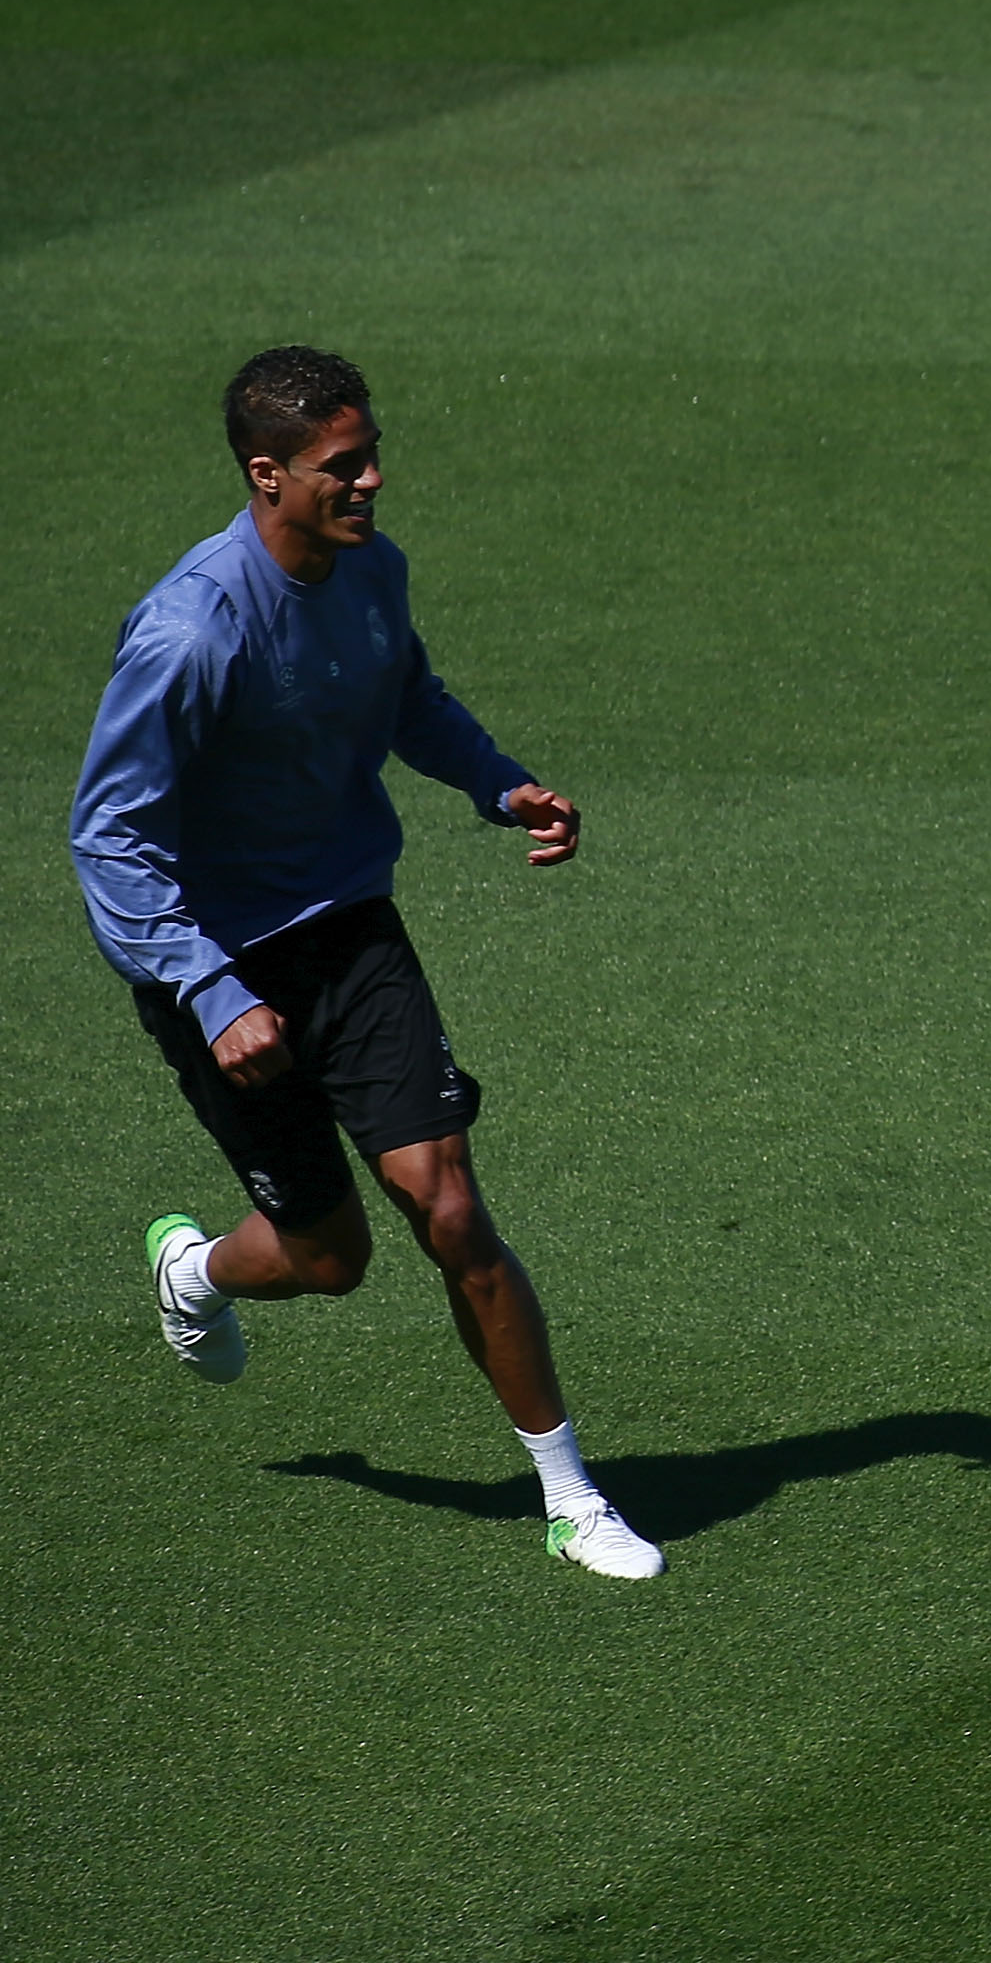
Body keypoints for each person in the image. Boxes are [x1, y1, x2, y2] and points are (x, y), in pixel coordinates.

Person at [71, 346, 664, 1580]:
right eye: (345, 465)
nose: (374, 480)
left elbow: (408, 703)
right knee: (327, 1258)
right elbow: (110, 840)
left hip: (347, 928)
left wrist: (499, 783)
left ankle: (571, 1495)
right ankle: (198, 1268)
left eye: (372, 452)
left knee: (447, 1202)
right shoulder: (190, 633)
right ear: (267, 472)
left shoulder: (368, 570)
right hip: (216, 966)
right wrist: (213, 987)